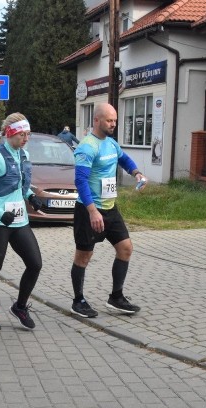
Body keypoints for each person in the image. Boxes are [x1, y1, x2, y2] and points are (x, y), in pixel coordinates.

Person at [69, 102, 147, 319]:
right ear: (96, 120)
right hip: (89, 210)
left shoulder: (111, 144)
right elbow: (80, 181)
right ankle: (78, 300)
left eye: (114, 120)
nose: (113, 124)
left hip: (111, 208)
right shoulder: (87, 146)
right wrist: (93, 211)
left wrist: (137, 173)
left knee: (126, 248)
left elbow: (123, 159)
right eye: (109, 120)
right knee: (84, 256)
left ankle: (116, 296)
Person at [0, 113, 44, 332]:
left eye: (28, 135)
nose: (26, 139)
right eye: (22, 134)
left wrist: (31, 196)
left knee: (35, 264)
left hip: (19, 221)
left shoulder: (23, 154)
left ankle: (20, 306)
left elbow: (20, 183)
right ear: (11, 134)